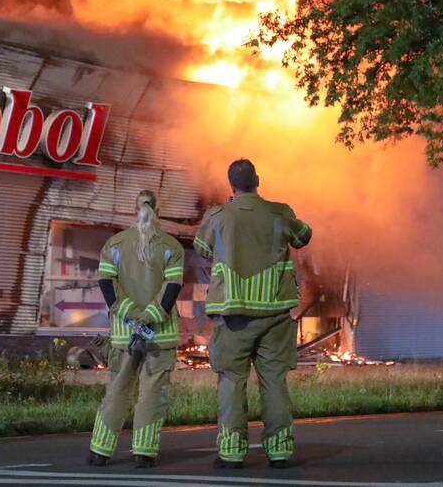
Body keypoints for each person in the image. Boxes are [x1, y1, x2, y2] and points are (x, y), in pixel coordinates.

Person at [195, 158, 311, 469]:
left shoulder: (218, 215)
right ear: (257, 179)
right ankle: (280, 451)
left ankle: (232, 453)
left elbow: (202, 248)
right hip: (274, 313)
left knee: (232, 382)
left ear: (230, 184)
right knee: (274, 381)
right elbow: (304, 236)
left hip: (232, 316)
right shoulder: (280, 212)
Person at [87, 190, 185, 468]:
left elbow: (107, 285)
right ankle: (143, 454)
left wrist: (130, 316)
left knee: (117, 390)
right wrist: (149, 316)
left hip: (123, 335)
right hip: (160, 335)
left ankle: (100, 452)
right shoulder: (171, 246)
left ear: (134, 210)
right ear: (158, 211)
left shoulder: (114, 245)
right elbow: (172, 288)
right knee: (152, 393)